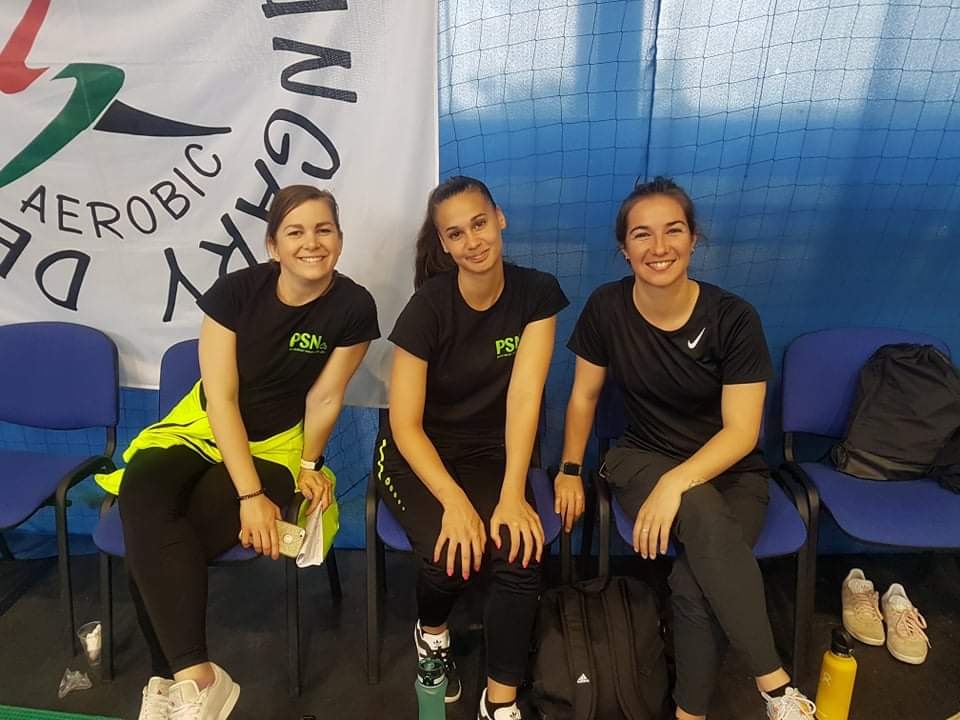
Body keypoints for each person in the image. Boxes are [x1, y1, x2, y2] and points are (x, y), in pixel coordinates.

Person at [97, 185, 380, 720]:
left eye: (324, 230)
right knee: (143, 490)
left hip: (276, 447)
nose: (312, 243)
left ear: (340, 239)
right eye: (295, 232)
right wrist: (251, 498)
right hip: (201, 425)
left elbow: (325, 395)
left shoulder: (354, 306)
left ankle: (172, 681)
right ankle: (197, 677)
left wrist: (310, 464)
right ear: (273, 246)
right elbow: (222, 398)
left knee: (152, 538)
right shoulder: (234, 293)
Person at [555, 177, 816, 720]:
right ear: (624, 249)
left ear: (694, 239)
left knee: (693, 584)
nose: (659, 247)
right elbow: (583, 397)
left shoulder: (734, 318)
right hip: (640, 459)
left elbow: (742, 433)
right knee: (699, 511)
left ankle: (688, 714)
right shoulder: (606, 307)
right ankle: (776, 688)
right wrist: (570, 469)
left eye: (673, 230)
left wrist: (677, 482)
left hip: (732, 471)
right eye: (642, 234)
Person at [377, 176, 568, 720]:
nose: (473, 241)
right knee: (451, 554)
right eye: (456, 233)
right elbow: (405, 424)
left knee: (520, 551)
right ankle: (432, 633)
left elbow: (524, 399)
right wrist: (455, 503)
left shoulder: (536, 294)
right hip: (417, 452)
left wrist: (512, 495)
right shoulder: (427, 308)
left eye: (479, 224)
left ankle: (499, 703)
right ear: (444, 244)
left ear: (499, 219)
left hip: (489, 451)